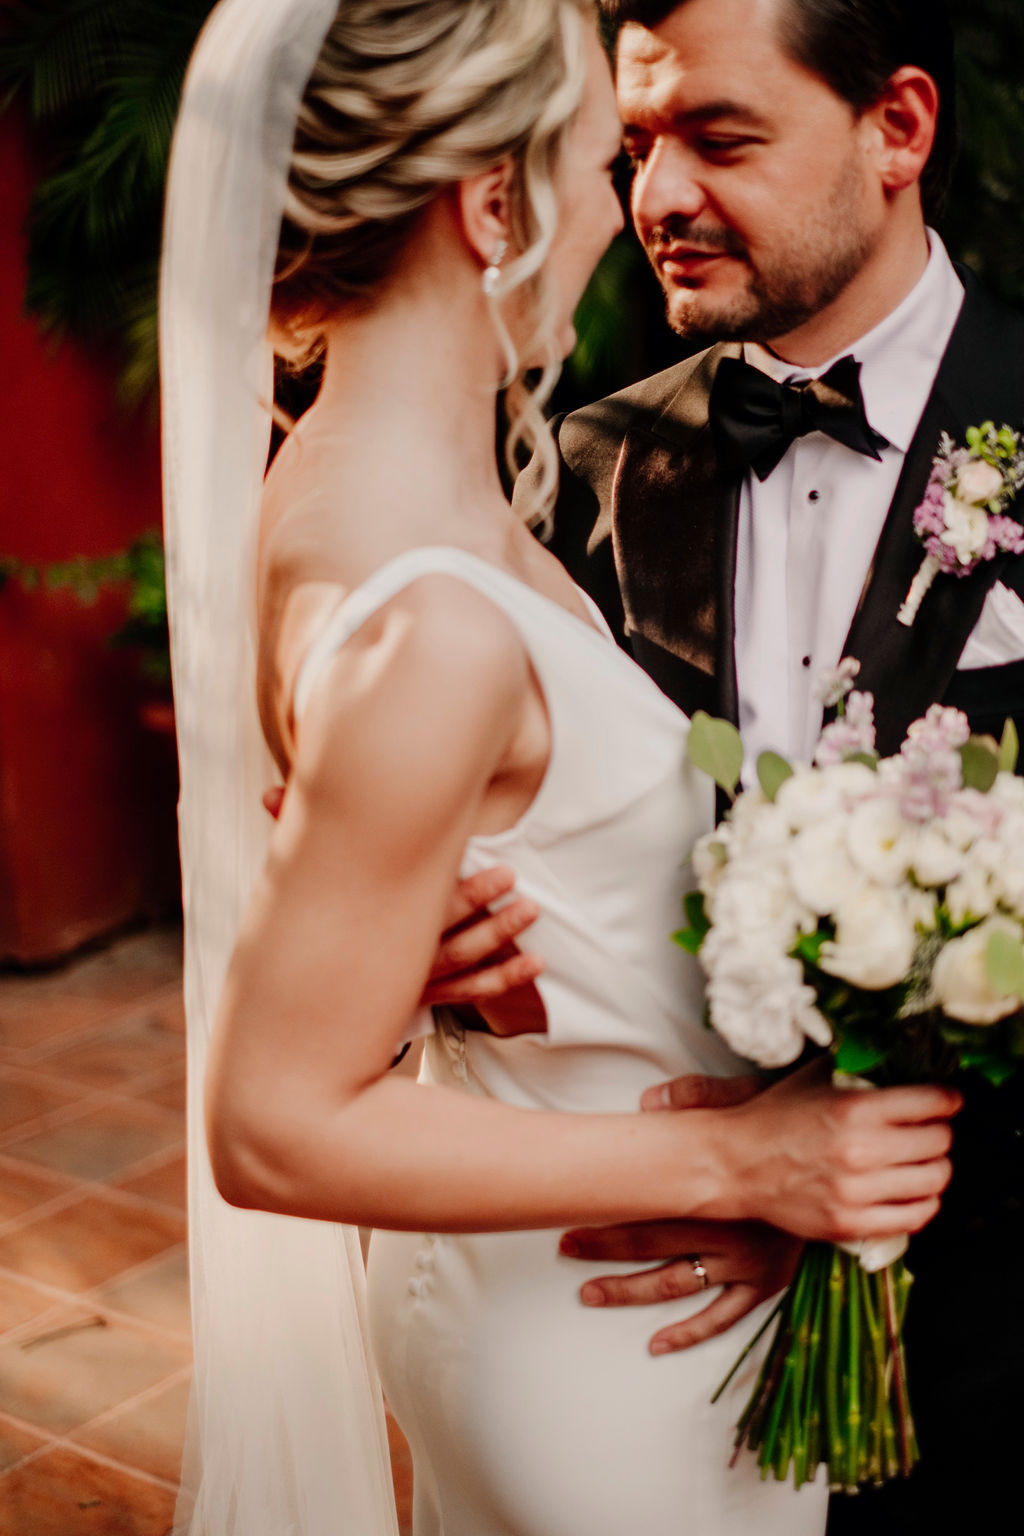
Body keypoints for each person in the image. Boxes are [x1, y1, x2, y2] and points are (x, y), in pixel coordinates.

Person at [160, 2, 960, 1534]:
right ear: (489, 205)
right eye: (609, 158)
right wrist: (745, 1164)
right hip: (618, 1335)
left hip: (526, 1290)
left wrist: (402, 948)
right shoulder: (444, 616)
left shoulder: (326, 492)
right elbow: (268, 1120)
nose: (635, 208)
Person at [491, 1, 1024, 1529]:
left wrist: (861, 1167)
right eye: (640, 143)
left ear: (900, 128)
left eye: (720, 139)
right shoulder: (586, 466)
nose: (657, 198)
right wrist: (456, 924)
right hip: (655, 1341)